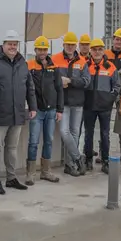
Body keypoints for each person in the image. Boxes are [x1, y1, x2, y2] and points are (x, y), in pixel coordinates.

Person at [0, 30, 37, 195]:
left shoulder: (23, 63)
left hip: (18, 113)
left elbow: (29, 87)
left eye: (15, 44)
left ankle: (11, 178)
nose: (12, 47)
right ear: (3, 45)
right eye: (10, 44)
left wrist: (33, 107)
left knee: (12, 148)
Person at [51, 32, 89, 177]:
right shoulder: (55, 59)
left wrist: (70, 81)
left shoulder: (82, 62)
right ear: (64, 45)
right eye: (68, 44)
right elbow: (50, 78)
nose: (70, 47)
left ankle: (69, 165)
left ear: (75, 46)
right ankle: (78, 158)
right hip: (62, 103)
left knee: (75, 133)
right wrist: (59, 82)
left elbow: (86, 81)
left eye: (73, 45)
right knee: (64, 132)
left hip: (78, 103)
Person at [26, 36, 62, 184]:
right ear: (35, 50)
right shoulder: (29, 66)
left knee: (49, 141)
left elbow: (59, 89)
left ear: (48, 50)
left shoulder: (54, 67)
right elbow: (27, 89)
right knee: (33, 142)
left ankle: (46, 171)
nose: (42, 52)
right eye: (40, 49)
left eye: (44, 49)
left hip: (51, 110)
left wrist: (59, 109)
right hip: (37, 111)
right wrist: (31, 107)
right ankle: (31, 173)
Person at [83, 38, 120, 174]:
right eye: (94, 49)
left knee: (105, 134)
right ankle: (88, 160)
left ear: (103, 50)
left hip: (105, 107)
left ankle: (105, 161)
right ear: (90, 51)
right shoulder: (86, 65)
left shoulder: (110, 67)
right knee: (88, 134)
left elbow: (117, 85)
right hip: (89, 105)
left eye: (100, 49)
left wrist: (110, 98)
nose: (97, 52)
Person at [105, 27, 121, 162]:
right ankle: (104, 152)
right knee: (105, 123)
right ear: (113, 39)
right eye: (117, 39)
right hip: (107, 91)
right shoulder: (106, 54)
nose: (118, 42)